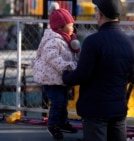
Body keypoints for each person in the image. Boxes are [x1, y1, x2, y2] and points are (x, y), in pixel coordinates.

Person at [62, 0, 134, 141]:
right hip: (118, 109)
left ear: (100, 15)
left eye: (96, 11)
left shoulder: (93, 42)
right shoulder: (129, 43)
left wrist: (65, 76)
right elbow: (130, 75)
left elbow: (82, 75)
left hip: (95, 110)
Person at [32, 2, 79, 140]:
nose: (73, 27)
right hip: (50, 78)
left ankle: (63, 122)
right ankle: (53, 125)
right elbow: (52, 57)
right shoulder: (53, 40)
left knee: (63, 100)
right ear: (60, 27)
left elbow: (70, 54)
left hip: (58, 78)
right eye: (70, 25)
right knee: (58, 102)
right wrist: (68, 65)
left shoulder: (66, 38)